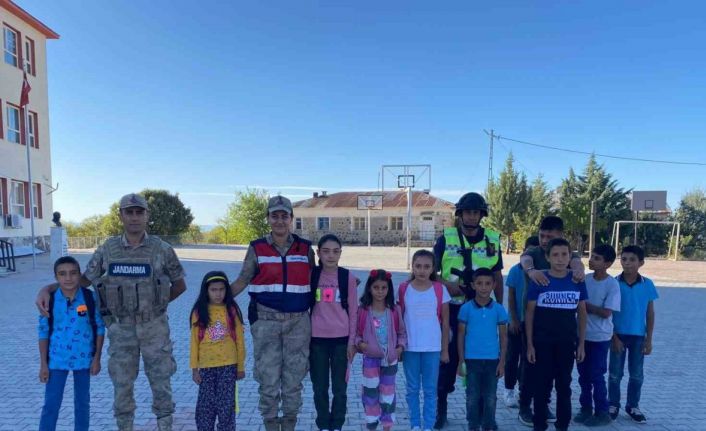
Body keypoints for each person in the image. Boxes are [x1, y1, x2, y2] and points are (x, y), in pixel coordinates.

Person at [35, 193, 187, 431]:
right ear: (121, 216)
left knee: (161, 383)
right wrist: (49, 288)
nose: (135, 217)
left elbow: (180, 285)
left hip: (154, 329)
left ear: (147, 215)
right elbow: (84, 280)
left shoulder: (162, 249)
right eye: (129, 212)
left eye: (140, 212)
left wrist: (157, 306)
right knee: (122, 386)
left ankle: (165, 426)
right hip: (122, 329)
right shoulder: (108, 249)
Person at [229, 195, 316, 431]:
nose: (279, 220)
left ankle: (289, 425)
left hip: (298, 324)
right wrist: (214, 301)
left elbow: (316, 282)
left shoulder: (306, 249)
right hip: (265, 323)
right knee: (267, 380)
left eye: (284, 216)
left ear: (291, 219)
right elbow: (242, 280)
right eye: (274, 216)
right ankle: (269, 425)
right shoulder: (257, 248)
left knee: (293, 381)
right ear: (268, 218)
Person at [432, 192, 503, 429]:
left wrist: (499, 307)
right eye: (467, 212)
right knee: (447, 361)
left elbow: (497, 276)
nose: (472, 216)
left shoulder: (493, 240)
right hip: (451, 312)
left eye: (476, 212)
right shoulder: (445, 239)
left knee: (481, 363)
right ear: (460, 214)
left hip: (482, 312)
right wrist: (448, 286)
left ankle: (482, 415)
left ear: (482, 215)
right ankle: (440, 411)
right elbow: (431, 274)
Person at [518, 215, 584, 426]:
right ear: (547, 257)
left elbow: (582, 312)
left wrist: (581, 343)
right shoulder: (538, 270)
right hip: (540, 340)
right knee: (540, 383)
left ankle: (561, 424)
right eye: (542, 236)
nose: (559, 258)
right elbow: (525, 260)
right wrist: (529, 344)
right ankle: (533, 417)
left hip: (566, 342)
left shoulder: (575, 278)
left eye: (563, 254)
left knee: (564, 385)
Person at [38, 256, 105, 431]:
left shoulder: (90, 299)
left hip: (84, 360)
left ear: (79, 274)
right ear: (56, 277)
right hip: (56, 361)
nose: (68, 278)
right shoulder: (50, 300)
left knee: (82, 404)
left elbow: (99, 328)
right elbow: (43, 331)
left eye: (73, 273)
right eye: (62, 274)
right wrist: (43, 364)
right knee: (51, 404)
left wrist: (97, 358)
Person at [309, 234, 359, 431]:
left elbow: (354, 312)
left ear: (340, 253)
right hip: (317, 341)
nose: (331, 255)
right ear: (318, 253)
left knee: (340, 389)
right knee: (319, 388)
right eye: (326, 251)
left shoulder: (348, 277)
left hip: (341, 341)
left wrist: (351, 342)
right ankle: (323, 425)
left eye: (335, 251)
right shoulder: (311, 276)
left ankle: (337, 425)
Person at [398, 249, 450, 431]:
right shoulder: (404, 288)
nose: (421, 270)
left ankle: (428, 425)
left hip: (433, 348)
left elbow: (445, 323)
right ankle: (415, 424)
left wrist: (444, 350)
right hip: (410, 347)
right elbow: (400, 318)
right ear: (412, 266)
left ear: (433, 268)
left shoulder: (440, 289)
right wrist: (400, 347)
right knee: (412, 389)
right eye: (418, 266)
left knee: (430, 390)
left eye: (426, 267)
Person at [190, 271, 246, 431]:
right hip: (206, 368)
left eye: (221, 289)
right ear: (206, 291)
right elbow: (194, 342)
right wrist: (194, 369)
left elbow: (240, 341)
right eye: (213, 290)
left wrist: (240, 367)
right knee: (205, 409)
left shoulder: (232, 310)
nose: (218, 294)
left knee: (226, 408)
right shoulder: (199, 312)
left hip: (229, 366)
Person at [608, 245, 657, 424]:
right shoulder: (613, 283)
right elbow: (609, 313)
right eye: (624, 259)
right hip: (617, 335)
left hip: (638, 337)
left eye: (632, 260)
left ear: (641, 263)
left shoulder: (647, 284)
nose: (627, 263)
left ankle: (633, 406)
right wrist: (614, 337)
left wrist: (649, 339)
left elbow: (650, 313)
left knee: (636, 374)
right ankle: (612, 404)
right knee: (615, 373)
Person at [355, 269, 407, 431]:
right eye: (376, 287)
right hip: (371, 359)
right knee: (370, 395)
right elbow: (356, 333)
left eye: (384, 288)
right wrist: (362, 345)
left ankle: (387, 426)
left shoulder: (394, 310)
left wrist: (399, 348)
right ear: (369, 288)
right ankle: (371, 425)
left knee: (388, 395)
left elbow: (402, 333)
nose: (380, 291)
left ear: (389, 289)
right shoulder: (363, 310)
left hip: (390, 359)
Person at [574, 244, 620, 427]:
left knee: (596, 374)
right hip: (581, 336)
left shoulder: (612, 285)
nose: (591, 260)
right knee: (583, 374)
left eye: (597, 258)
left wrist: (584, 306)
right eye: (591, 256)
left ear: (607, 264)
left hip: (600, 338)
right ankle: (585, 408)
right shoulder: (584, 279)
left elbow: (607, 312)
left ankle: (602, 411)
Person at [457, 268, 508, 431]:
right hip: (472, 361)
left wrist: (502, 362)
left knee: (491, 397)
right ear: (473, 285)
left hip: (493, 361)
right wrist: (461, 360)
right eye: (479, 283)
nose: (484, 287)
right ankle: (473, 425)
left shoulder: (499, 310)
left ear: (494, 285)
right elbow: (460, 336)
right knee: (472, 396)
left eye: (488, 283)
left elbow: (504, 337)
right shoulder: (466, 309)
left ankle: (488, 425)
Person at [504, 235, 539, 409]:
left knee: (528, 360)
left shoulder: (542, 272)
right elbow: (510, 297)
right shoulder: (515, 271)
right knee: (512, 358)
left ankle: (523, 390)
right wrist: (513, 320)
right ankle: (509, 389)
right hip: (516, 323)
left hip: (533, 325)